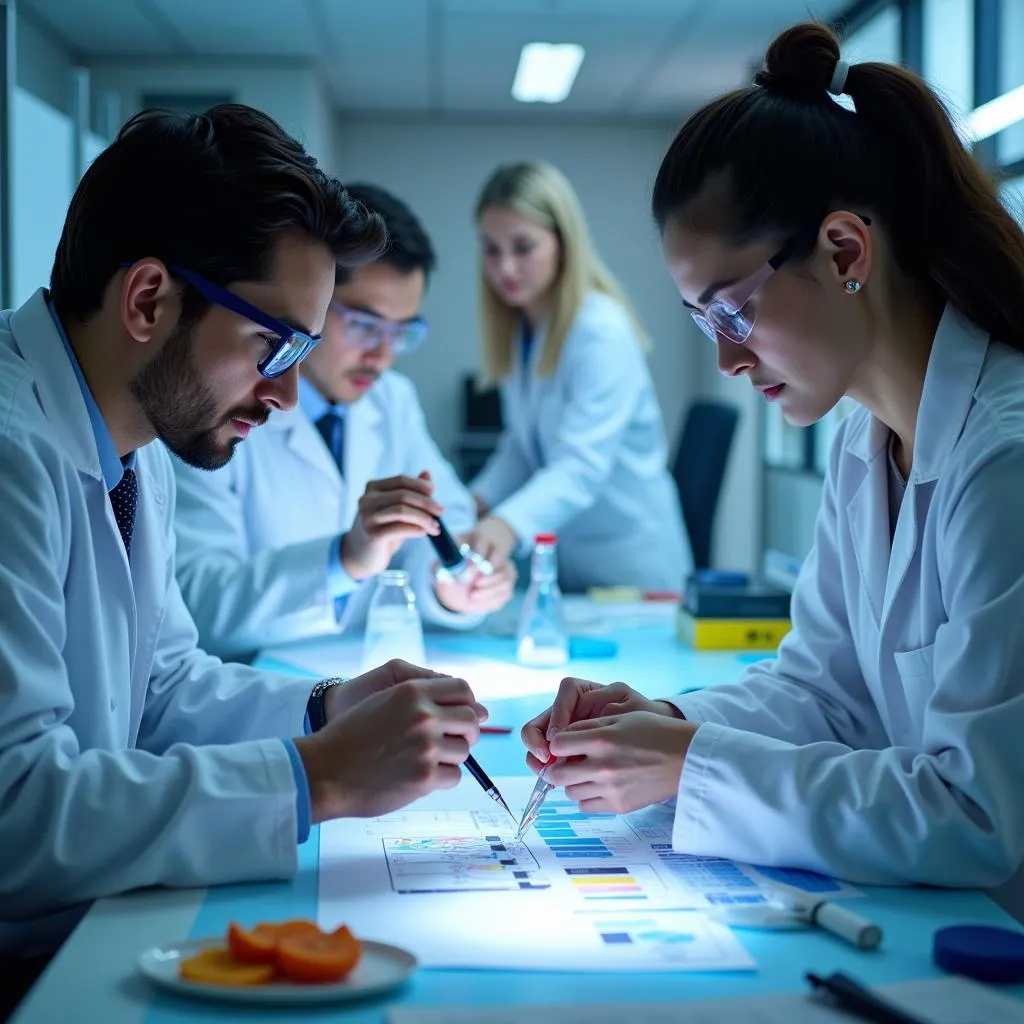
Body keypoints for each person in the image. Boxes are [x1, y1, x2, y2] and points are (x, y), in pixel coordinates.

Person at [519, 22, 1024, 903]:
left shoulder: (1006, 459)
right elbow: (830, 693)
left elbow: (978, 816)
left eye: (734, 311)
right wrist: (665, 723)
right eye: (702, 321)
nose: (726, 359)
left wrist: (689, 762)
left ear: (844, 251)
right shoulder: (866, 443)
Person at [0, 105, 488, 998]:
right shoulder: (9, 450)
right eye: (274, 344)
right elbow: (14, 815)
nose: (290, 391)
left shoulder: (138, 445)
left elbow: (161, 688)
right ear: (149, 298)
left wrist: (325, 708)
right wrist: (319, 777)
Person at [172, 184, 516, 660]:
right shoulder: (220, 401)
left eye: (402, 332)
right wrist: (343, 560)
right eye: (364, 325)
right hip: (252, 687)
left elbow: (446, 523)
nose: (382, 355)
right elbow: (197, 603)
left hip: (361, 673)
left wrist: (453, 583)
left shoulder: (392, 400)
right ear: (313, 301)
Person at [467, 161, 691, 592]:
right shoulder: (526, 329)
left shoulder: (600, 331)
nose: (505, 268)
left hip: (634, 566)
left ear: (563, 243)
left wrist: (504, 526)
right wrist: (471, 504)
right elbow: (521, 447)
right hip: (578, 563)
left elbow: (580, 465)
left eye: (523, 247)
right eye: (491, 249)